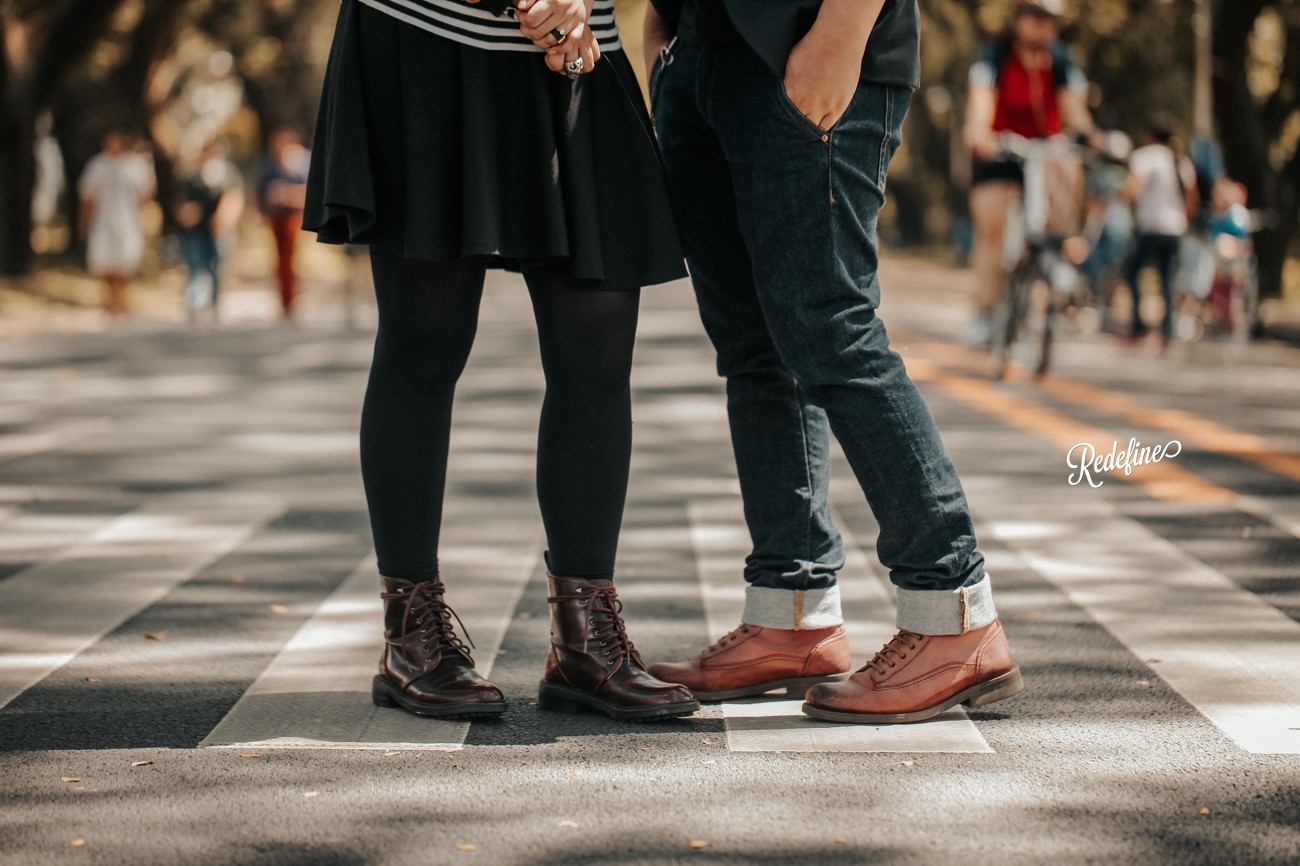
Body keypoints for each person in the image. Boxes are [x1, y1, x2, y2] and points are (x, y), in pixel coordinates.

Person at [303, 0, 697, 721]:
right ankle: (410, 637)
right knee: (425, 342)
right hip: (429, 35)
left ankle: (584, 642)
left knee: (599, 350)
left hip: (577, 44)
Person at [644, 0, 1023, 723]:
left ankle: (954, 611)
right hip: (699, 53)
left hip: (806, 39)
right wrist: (666, 35)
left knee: (831, 329)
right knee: (754, 350)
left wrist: (841, 34)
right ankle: (794, 614)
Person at [962, 0, 1095, 346]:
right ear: (1019, 18)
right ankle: (985, 310)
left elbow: (1075, 111)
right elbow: (980, 101)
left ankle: (1060, 255)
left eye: (1050, 20)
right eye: (1036, 17)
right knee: (992, 229)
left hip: (1045, 151)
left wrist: (1090, 136)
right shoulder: (993, 55)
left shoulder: (1062, 60)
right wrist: (979, 133)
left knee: (1070, 169)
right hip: (1001, 150)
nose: (1043, 26)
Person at [1124, 118, 1197, 345]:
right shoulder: (1180, 160)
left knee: (1131, 272)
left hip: (1152, 226)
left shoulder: (1145, 156)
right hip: (1175, 228)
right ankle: (1167, 330)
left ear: (1150, 136)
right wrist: (1184, 219)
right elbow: (1192, 196)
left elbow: (1133, 190)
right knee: (1167, 280)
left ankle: (1138, 325)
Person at [78, 129, 156, 318]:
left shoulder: (135, 165)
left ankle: (122, 300)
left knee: (126, 262)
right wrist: (84, 222)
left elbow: (147, 192)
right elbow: (87, 197)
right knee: (104, 262)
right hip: (103, 220)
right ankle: (109, 301)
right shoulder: (97, 165)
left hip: (128, 220)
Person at [175, 141, 244, 323]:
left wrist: (224, 219)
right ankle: (194, 305)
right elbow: (181, 204)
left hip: (219, 230)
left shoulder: (227, 175)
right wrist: (187, 214)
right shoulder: (191, 178)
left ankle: (215, 305)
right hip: (196, 231)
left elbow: (234, 198)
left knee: (217, 268)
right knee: (195, 266)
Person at [258, 128, 310, 320]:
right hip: (276, 218)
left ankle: (293, 299)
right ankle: (285, 300)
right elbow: (261, 192)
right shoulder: (271, 167)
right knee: (281, 261)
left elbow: (310, 194)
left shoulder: (301, 165)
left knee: (293, 260)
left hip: (294, 219)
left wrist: (286, 195)